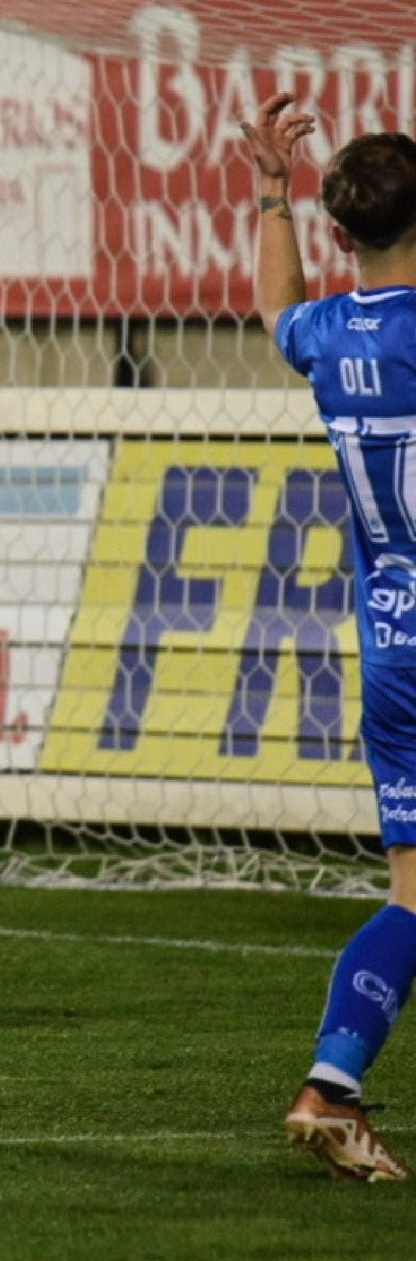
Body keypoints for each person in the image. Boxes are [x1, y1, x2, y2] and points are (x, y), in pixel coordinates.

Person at [242, 93, 416, 1184]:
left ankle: (332, 1081)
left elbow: (274, 312)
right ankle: (330, 1085)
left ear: (337, 234)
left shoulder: (327, 334)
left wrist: (268, 199)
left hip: (392, 637)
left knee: (411, 889)